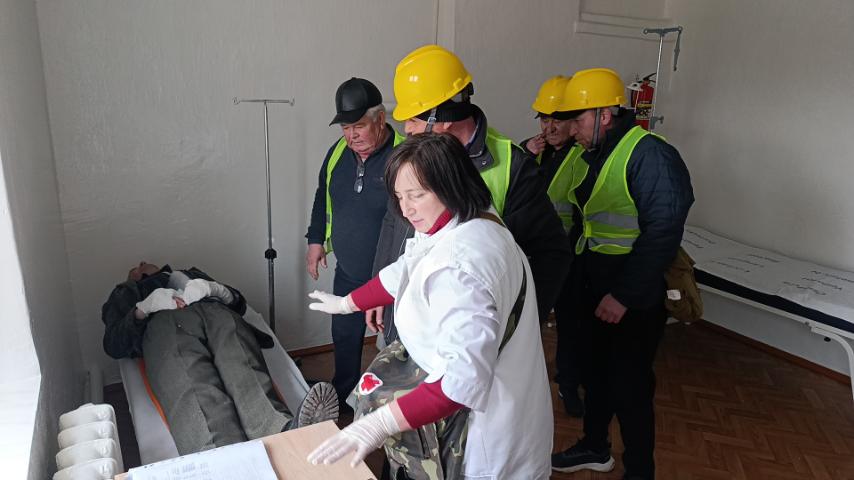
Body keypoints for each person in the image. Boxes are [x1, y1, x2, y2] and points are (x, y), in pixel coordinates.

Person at [305, 133, 553, 479]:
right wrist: (348, 303)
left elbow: (461, 381)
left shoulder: (461, 268)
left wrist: (378, 424)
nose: (406, 209)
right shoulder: (466, 218)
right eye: (399, 196)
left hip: (479, 436)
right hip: (491, 399)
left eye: (416, 195)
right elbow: (409, 266)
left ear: (450, 184)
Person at [370, 44, 572, 344]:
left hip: (463, 336)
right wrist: (379, 286)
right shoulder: (413, 155)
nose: (407, 129)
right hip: (405, 319)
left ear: (444, 117)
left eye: (413, 118)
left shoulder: (512, 167)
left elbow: (552, 254)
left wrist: (516, 328)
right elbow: (393, 223)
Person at [549, 68, 694, 480]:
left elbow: (663, 229)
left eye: (577, 120)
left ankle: (640, 471)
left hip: (632, 295)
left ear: (605, 115)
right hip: (594, 284)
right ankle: (595, 446)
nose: (571, 129)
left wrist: (624, 295)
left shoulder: (650, 154)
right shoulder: (592, 151)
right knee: (596, 375)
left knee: (630, 386)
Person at [102, 262, 338, 455]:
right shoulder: (124, 292)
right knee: (192, 380)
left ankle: (281, 431)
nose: (142, 263)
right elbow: (114, 344)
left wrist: (217, 291)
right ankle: (219, 453)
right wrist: (143, 309)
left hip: (215, 312)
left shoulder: (190, 273)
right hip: (163, 322)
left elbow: (240, 305)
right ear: (135, 275)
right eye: (137, 267)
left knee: (242, 364)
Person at [305, 77, 404, 408]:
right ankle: (345, 397)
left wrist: (384, 284)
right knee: (345, 337)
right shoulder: (337, 153)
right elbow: (323, 194)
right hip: (348, 271)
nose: (352, 135)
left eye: (359, 126)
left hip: (390, 277)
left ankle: (389, 410)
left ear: (381, 119)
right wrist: (316, 240)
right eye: (346, 127)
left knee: (393, 345)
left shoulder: (404, 156)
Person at [520, 75, 588, 417]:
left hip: (569, 257)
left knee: (571, 326)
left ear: (573, 121)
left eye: (557, 120)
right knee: (526, 323)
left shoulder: (582, 157)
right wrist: (525, 153)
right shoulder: (534, 152)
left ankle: (568, 384)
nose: (549, 127)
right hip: (532, 256)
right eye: (544, 119)